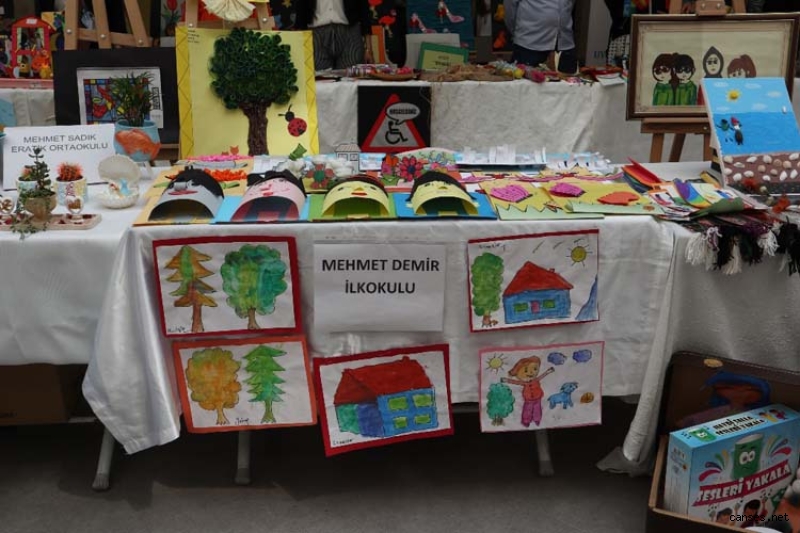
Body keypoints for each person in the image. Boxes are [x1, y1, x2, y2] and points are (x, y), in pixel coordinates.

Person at [504, 0, 578, 74]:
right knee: (524, 80)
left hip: (564, 44)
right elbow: (509, 7)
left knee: (567, 80)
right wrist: (518, 33)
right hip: (529, 45)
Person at [295, 0, 372, 70]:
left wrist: (368, 49)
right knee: (320, 77)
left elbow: (364, 11)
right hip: (317, 36)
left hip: (349, 35)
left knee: (351, 77)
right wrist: (299, 49)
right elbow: (300, 15)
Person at [501, 356, 554, 427]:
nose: (531, 372)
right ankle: (526, 420)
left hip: (538, 397)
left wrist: (548, 371)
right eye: (526, 371)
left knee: (537, 409)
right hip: (528, 399)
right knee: (527, 410)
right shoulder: (524, 383)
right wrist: (506, 380)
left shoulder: (536, 380)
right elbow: (515, 382)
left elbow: (542, 376)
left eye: (535, 369)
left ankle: (537, 419)